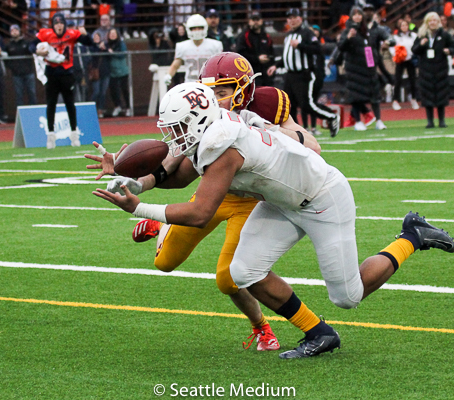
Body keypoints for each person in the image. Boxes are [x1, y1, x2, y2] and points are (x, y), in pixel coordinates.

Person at [92, 81, 454, 359]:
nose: (171, 136)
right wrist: (132, 180)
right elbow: (179, 176)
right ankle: (319, 333)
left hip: (322, 200)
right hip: (281, 202)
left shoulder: (223, 144)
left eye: (176, 127)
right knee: (243, 271)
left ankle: (412, 236)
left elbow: (200, 212)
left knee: (348, 296)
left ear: (197, 119)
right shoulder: (215, 127)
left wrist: (138, 208)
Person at [85, 52, 320, 352]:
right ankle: (162, 227)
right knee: (164, 263)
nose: (214, 99)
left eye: (222, 92)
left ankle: (261, 326)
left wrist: (261, 130)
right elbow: (172, 161)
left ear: (244, 88)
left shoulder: (266, 102)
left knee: (228, 278)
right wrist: (133, 178)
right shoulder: (204, 111)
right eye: (210, 91)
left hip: (256, 202)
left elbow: (313, 146)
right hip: (215, 193)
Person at [267, 8, 340, 137]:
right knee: (289, 106)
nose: (292, 20)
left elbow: (317, 49)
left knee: (306, 105)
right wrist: (276, 66)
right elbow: (288, 56)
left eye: (294, 17)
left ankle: (331, 116)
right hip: (290, 75)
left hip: (303, 75)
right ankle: (294, 132)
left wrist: (300, 46)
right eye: (290, 18)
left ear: (300, 18)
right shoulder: (288, 35)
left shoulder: (307, 33)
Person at [31, 13, 92, 148]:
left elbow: (89, 42)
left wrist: (86, 34)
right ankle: (51, 135)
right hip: (51, 73)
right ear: (53, 25)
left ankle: (74, 134)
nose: (59, 26)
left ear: (64, 24)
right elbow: (31, 45)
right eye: (56, 23)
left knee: (70, 104)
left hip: (66, 73)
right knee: (51, 104)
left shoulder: (72, 34)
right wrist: (37, 51)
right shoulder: (46, 34)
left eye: (61, 23)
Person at [337, 6, 386, 131]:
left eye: (359, 14)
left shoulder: (367, 31)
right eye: (355, 14)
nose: (357, 17)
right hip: (354, 69)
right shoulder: (347, 31)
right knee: (356, 97)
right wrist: (348, 37)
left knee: (374, 95)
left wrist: (373, 63)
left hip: (368, 69)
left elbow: (371, 47)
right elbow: (341, 46)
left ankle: (379, 120)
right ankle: (358, 121)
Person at [412, 12, 454, 128]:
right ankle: (430, 121)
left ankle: (442, 120)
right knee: (427, 95)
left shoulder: (444, 35)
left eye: (435, 20)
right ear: (427, 22)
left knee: (441, 95)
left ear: (438, 22)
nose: (432, 23)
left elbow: (453, 47)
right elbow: (414, 50)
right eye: (430, 20)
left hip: (440, 69)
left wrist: (449, 51)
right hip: (425, 70)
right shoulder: (422, 35)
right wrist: (421, 45)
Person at [163, 14, 223, 87]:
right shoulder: (182, 46)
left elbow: (221, 66)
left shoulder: (215, 45)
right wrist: (168, 75)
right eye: (193, 28)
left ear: (205, 28)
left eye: (200, 28)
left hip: (209, 84)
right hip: (190, 84)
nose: (197, 31)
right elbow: (175, 65)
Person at [235, 11, 275, 88]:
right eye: (253, 20)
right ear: (249, 21)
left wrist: (272, 64)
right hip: (251, 74)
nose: (255, 22)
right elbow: (240, 55)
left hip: (266, 74)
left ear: (261, 21)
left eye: (257, 20)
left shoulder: (266, 36)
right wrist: (257, 59)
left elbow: (272, 53)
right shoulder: (244, 36)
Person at [390, 19, 419, 111]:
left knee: (413, 80)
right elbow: (392, 47)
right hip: (400, 60)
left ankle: (414, 99)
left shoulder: (413, 36)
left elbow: (416, 46)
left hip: (410, 60)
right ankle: (395, 100)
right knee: (398, 80)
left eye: (406, 25)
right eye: (402, 25)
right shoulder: (396, 37)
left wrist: (413, 55)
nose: (404, 27)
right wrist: (396, 55)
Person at [6, 24, 38, 107]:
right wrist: (12, 67)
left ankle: (34, 110)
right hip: (16, 74)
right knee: (19, 94)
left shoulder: (26, 42)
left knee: (31, 92)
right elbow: (6, 59)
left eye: (16, 30)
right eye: (12, 30)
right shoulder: (9, 45)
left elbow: (32, 50)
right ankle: (20, 112)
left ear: (19, 31)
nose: (14, 32)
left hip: (28, 72)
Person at [106, 28, 130, 117]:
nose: (112, 35)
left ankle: (128, 107)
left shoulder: (121, 44)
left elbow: (122, 54)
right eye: (111, 33)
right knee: (113, 90)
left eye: (114, 33)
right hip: (112, 71)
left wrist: (113, 53)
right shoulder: (107, 45)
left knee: (124, 89)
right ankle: (117, 106)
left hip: (122, 70)